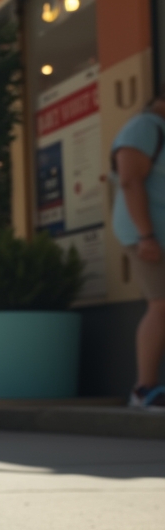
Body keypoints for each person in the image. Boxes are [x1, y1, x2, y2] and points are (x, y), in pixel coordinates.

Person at [111, 90, 165, 409]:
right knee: (161, 305)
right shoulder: (144, 126)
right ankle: (143, 389)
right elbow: (130, 180)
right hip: (150, 235)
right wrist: (146, 235)